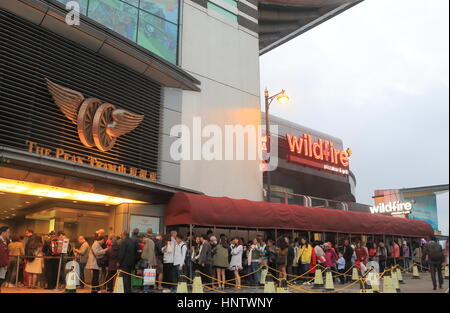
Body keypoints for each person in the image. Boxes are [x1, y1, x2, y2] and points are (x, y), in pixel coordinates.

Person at [0, 226, 10, 292]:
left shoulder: (5, 241)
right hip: (1, 264)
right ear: (3, 233)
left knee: (1, 279)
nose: (9, 234)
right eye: (8, 232)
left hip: (3, 265)